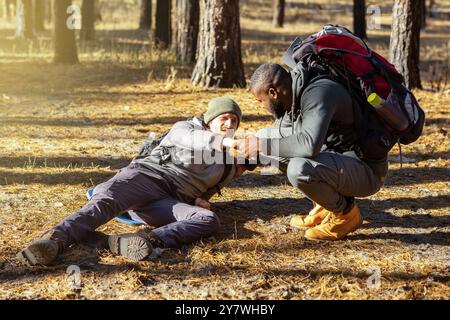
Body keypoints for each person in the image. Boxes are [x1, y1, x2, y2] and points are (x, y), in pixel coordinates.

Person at [17, 97, 249, 265]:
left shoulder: (227, 165)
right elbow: (193, 139)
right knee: (104, 202)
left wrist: (199, 200)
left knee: (208, 220)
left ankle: (144, 241)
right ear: (210, 121)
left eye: (234, 121)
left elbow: (207, 189)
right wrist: (227, 142)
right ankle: (54, 240)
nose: (229, 125)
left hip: (167, 201)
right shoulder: (186, 128)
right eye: (224, 118)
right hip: (145, 177)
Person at [233, 63, 387, 241]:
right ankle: (326, 205)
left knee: (299, 169)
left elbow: (308, 145)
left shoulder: (319, 93)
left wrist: (261, 145)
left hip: (366, 171)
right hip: (338, 162)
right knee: (265, 136)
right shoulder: (293, 93)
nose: (261, 106)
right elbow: (276, 136)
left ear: (273, 93)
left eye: (260, 101)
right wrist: (243, 158)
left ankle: (346, 214)